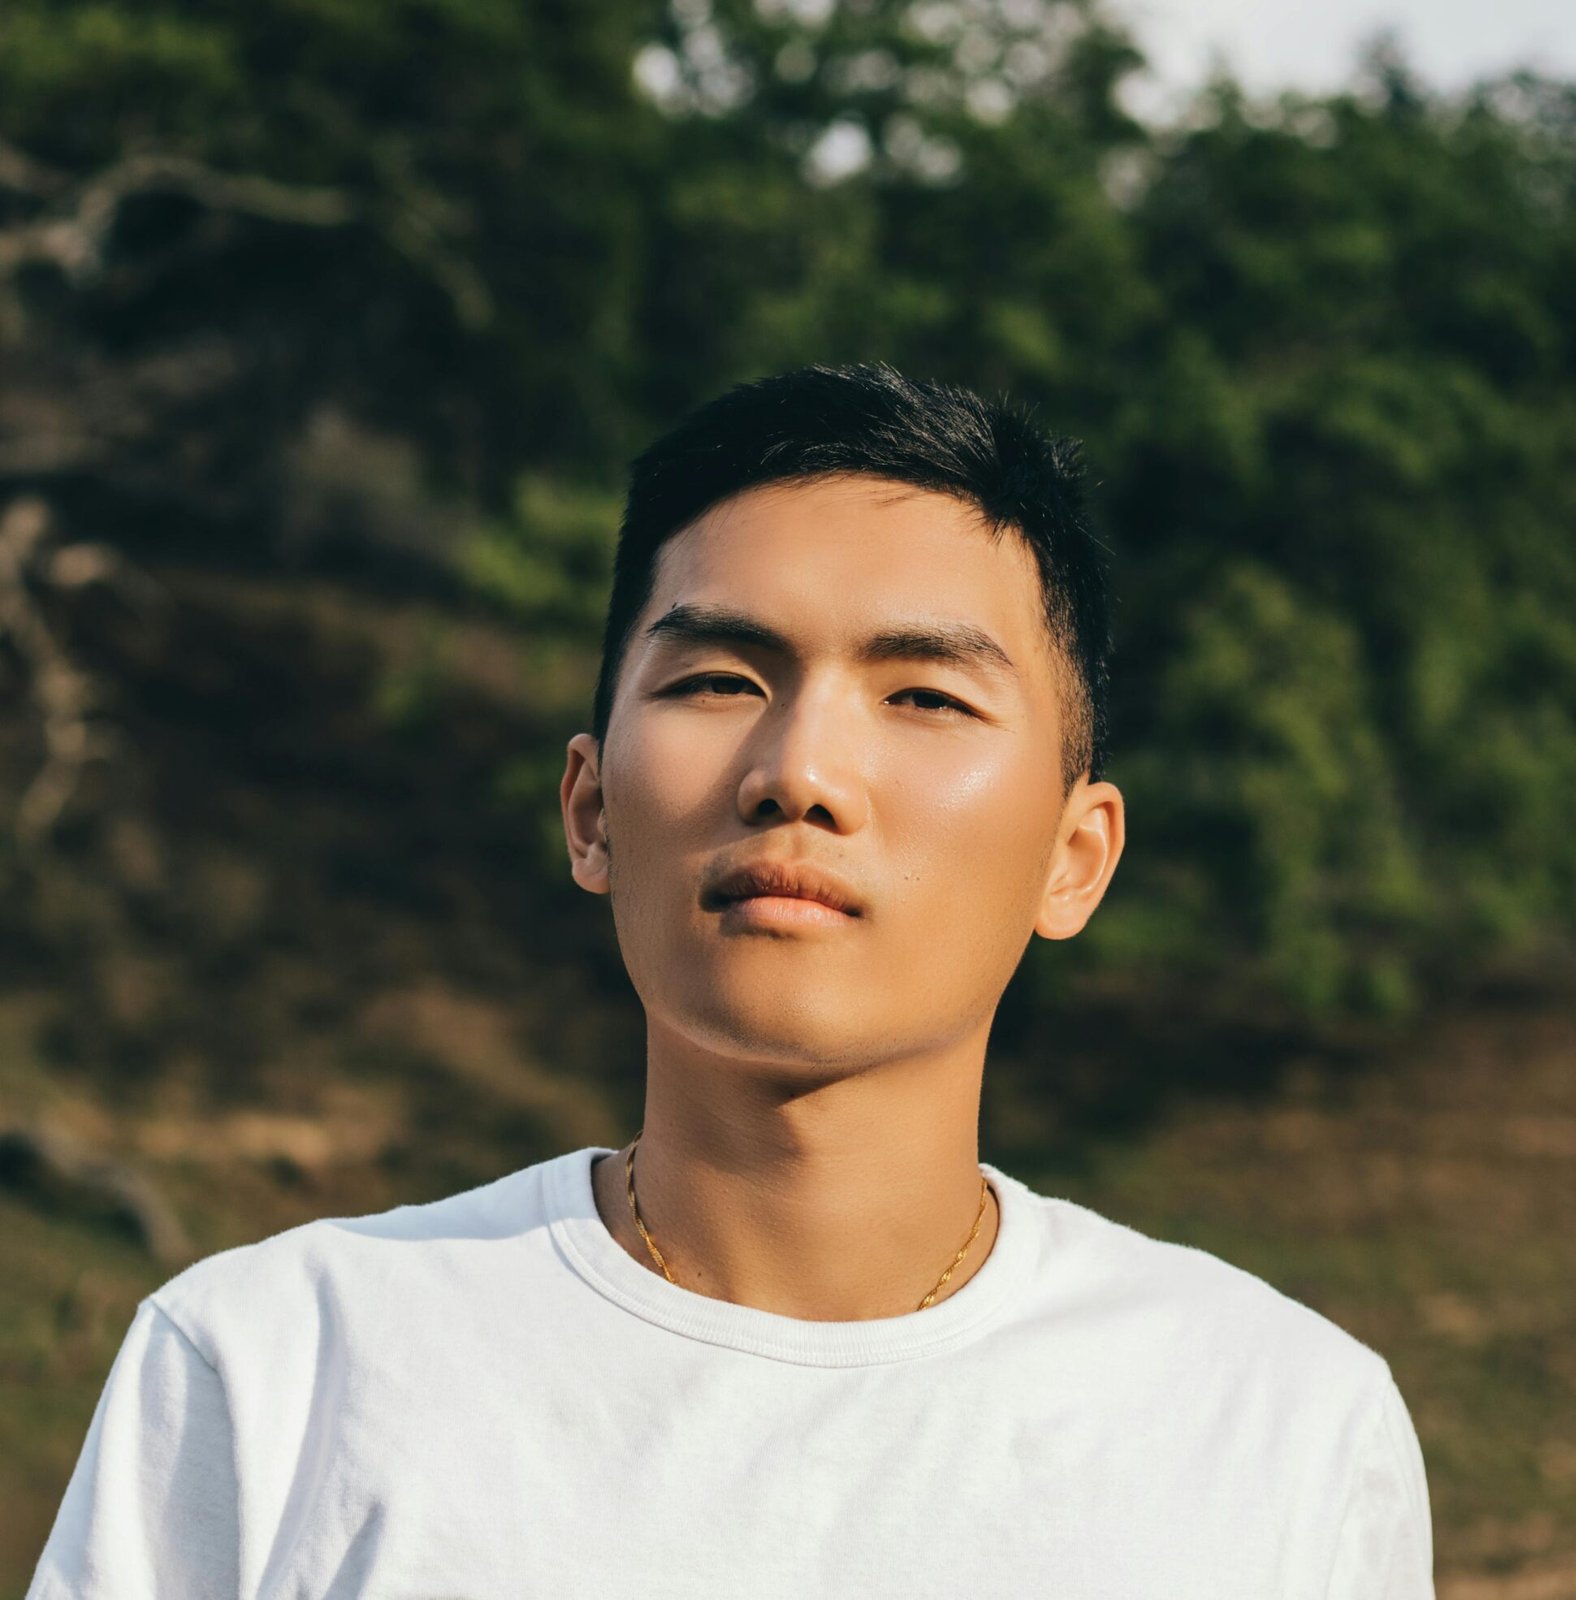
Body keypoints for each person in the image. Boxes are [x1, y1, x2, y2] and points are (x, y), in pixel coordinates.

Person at [28, 363, 1435, 1598]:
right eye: (716, 678)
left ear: (1076, 857)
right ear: (590, 809)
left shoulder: (1277, 1428)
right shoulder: (274, 1372)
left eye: (926, 697)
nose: (802, 774)